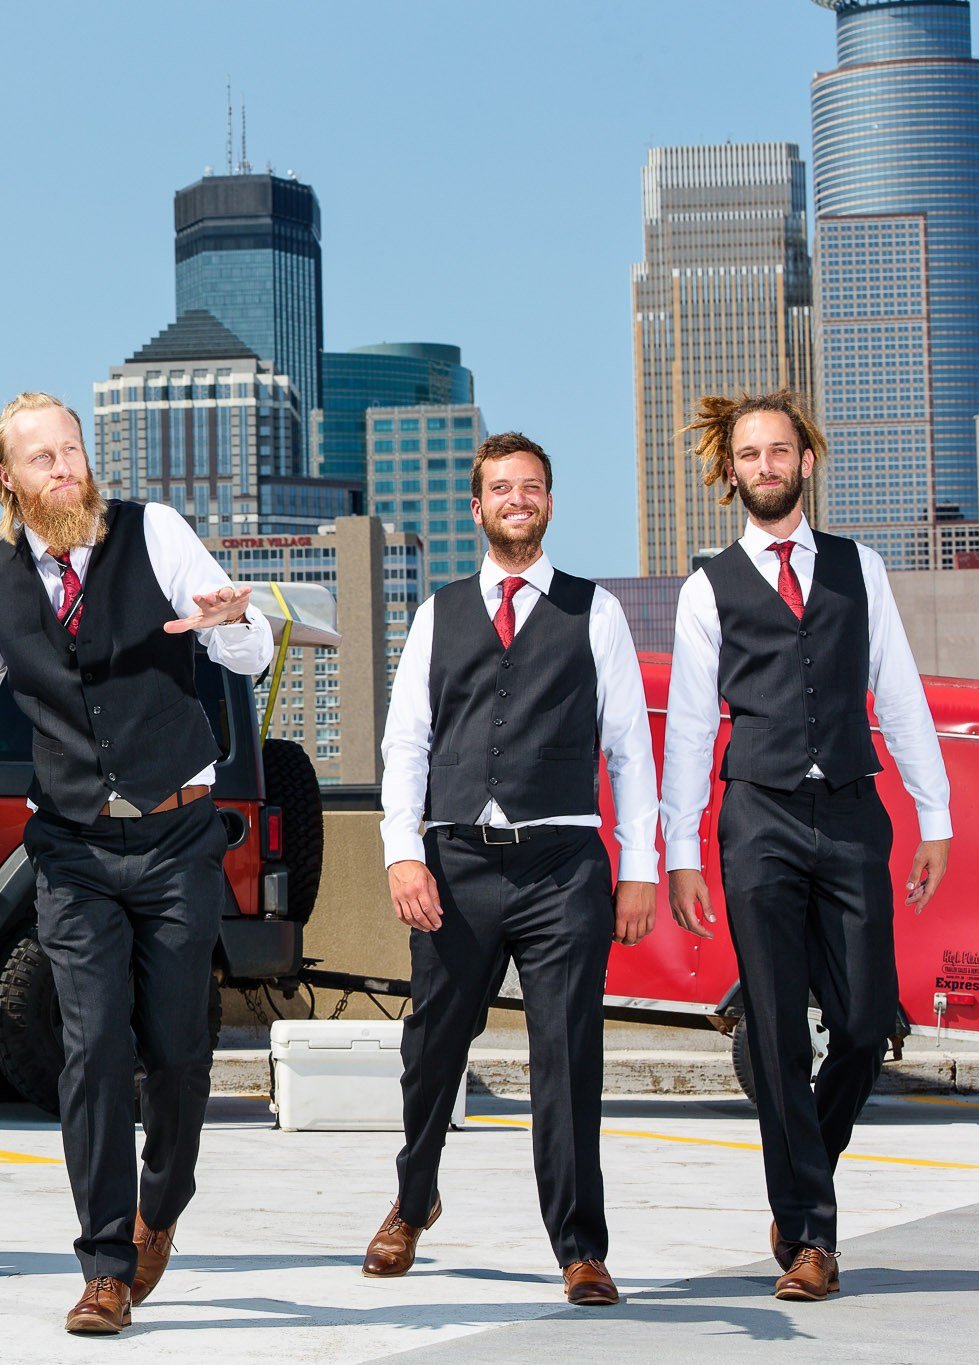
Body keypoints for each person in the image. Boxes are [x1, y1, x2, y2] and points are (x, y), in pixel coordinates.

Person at [0, 392, 271, 1335]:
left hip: (176, 835)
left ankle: (161, 1203)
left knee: (178, 1052)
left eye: (73, 450)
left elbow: (245, 650)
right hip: (73, 844)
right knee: (90, 1052)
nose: (65, 468)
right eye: (42, 457)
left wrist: (230, 620)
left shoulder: (155, 533)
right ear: (6, 477)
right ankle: (104, 1267)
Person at [662, 391, 951, 1302]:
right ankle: (812, 1238)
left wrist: (935, 813)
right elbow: (691, 727)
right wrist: (680, 849)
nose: (765, 465)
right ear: (732, 471)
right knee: (780, 1031)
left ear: (805, 461)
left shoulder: (860, 568)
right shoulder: (707, 587)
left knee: (865, 1025)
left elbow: (897, 690)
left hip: (855, 811)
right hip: (758, 817)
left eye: (779, 450)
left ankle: (800, 1177)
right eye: (750, 454)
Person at [368, 431, 658, 1306]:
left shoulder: (594, 611)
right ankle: (412, 1201)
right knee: (432, 1046)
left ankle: (580, 1247)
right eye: (501, 487)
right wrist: (403, 853)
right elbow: (407, 741)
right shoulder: (439, 612)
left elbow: (629, 748)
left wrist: (640, 867)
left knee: (567, 1054)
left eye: (531, 486)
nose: (517, 499)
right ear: (477, 506)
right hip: (455, 862)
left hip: (563, 866)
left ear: (550, 503)